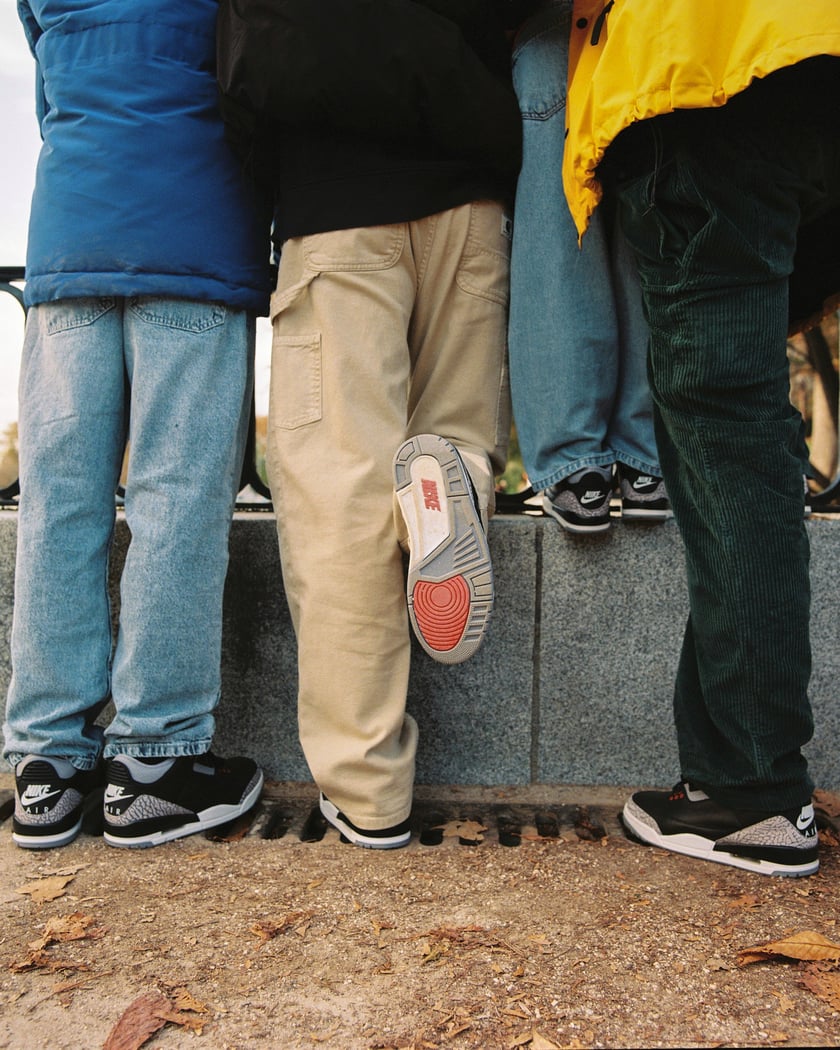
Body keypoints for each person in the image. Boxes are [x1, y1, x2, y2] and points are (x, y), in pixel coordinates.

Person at [216, 0, 520, 847]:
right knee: (456, 433)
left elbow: (245, 67)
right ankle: (449, 491)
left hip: (337, 205)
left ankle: (369, 791)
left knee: (340, 500)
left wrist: (277, 185)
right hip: (472, 205)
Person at [563, 0, 840, 875]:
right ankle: (738, 774)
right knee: (747, 436)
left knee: (729, 438)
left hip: (709, 73)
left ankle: (754, 793)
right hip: (817, 62)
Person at [3, 0, 272, 849]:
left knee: (58, 506)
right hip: (195, 230)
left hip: (71, 234)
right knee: (176, 499)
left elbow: (50, 83)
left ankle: (47, 767)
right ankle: (155, 764)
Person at [508, 0, 669, 533]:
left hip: (557, 29)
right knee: (643, 225)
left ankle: (579, 469)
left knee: (559, 232)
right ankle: (646, 462)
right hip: (656, 25)